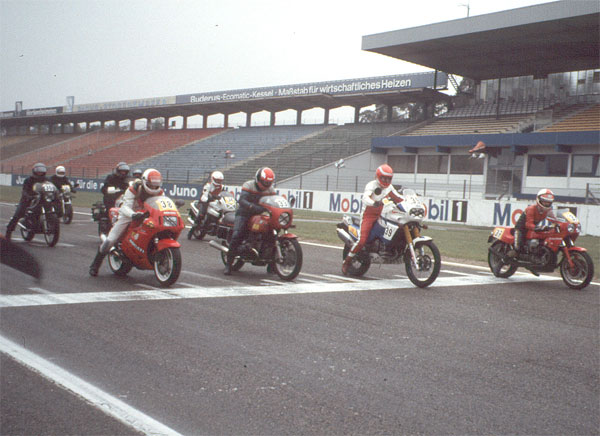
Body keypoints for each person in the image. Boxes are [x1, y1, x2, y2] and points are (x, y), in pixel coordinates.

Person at [89, 168, 163, 276]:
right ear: (145, 181)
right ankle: (95, 266)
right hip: (129, 213)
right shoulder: (134, 188)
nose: (153, 187)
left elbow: (161, 204)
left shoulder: (159, 191)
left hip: (146, 213)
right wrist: (133, 214)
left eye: (155, 184)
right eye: (151, 184)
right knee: (111, 239)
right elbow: (125, 207)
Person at [342, 164, 403, 275]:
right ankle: (347, 262)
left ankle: (388, 250)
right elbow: (365, 198)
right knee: (362, 241)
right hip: (368, 215)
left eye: (388, 178)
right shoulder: (372, 185)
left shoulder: (389, 187)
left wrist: (409, 201)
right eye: (384, 178)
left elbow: (398, 197)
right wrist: (374, 202)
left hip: (383, 214)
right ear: (378, 176)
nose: (386, 180)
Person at [224, 167, 276, 275]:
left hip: (260, 215)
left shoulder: (270, 189)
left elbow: (274, 201)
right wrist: (252, 207)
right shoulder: (248, 185)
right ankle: (228, 265)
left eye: (269, 183)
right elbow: (242, 200)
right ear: (258, 179)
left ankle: (272, 265)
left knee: (272, 235)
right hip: (244, 213)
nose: (266, 185)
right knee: (237, 235)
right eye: (265, 182)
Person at [5, 163, 48, 241]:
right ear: (34, 171)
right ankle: (9, 231)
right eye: (38, 171)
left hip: (42, 199)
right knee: (18, 213)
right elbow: (25, 191)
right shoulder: (29, 180)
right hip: (28, 200)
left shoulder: (47, 180)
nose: (40, 173)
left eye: (41, 171)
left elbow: (52, 187)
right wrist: (29, 196)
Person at [509, 188, 555, 257]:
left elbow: (554, 219)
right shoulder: (531, 209)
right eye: (544, 201)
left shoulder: (548, 210)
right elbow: (528, 224)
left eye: (549, 202)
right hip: (521, 228)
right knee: (518, 248)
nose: (546, 203)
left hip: (532, 229)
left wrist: (558, 224)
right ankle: (507, 257)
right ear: (539, 200)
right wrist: (540, 227)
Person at [188, 170, 224, 239]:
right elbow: (204, 196)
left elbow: (223, 194)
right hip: (205, 203)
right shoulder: (208, 186)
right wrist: (209, 199)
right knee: (201, 214)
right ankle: (191, 232)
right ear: (213, 179)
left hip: (214, 203)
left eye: (220, 181)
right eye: (217, 180)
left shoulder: (222, 187)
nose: (219, 182)